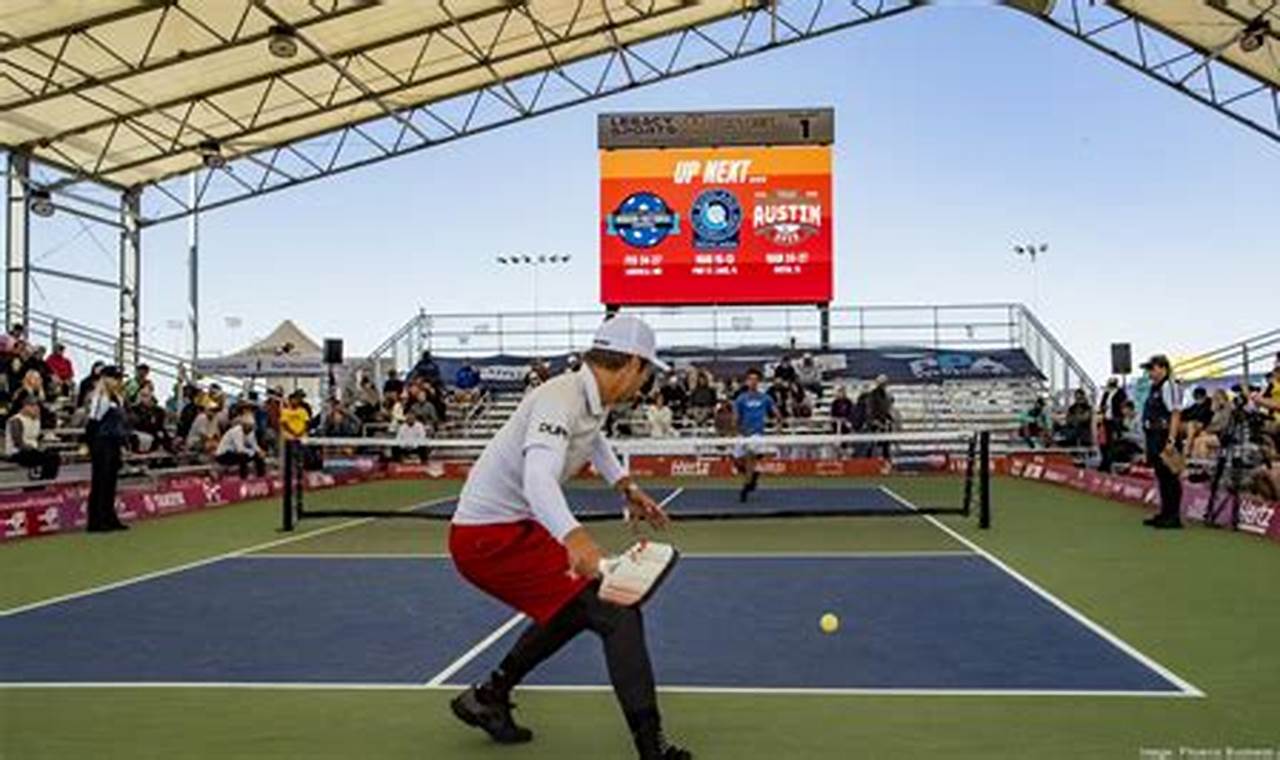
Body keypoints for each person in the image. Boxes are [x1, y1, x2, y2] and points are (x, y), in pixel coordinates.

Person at [448, 315, 689, 760]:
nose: (645, 383)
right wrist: (575, 537)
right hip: (488, 539)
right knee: (616, 609)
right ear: (633, 364)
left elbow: (593, 440)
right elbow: (539, 478)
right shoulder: (559, 397)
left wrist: (626, 487)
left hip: (512, 527)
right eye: (647, 372)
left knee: (580, 609)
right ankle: (652, 751)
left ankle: (489, 695)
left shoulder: (585, 397)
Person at [1140, 354, 1183, 529]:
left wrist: (1171, 440)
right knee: (1161, 476)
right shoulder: (1154, 387)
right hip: (1153, 435)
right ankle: (1165, 512)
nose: (1150, 373)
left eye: (1152, 368)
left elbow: (1175, 413)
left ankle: (1173, 516)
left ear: (1163, 368)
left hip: (1164, 435)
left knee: (1170, 476)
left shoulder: (1169, 385)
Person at [86, 366, 129, 532]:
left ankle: (110, 517)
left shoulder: (118, 398)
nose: (119, 381)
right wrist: (91, 445)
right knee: (100, 482)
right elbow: (93, 422)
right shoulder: (100, 397)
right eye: (116, 378)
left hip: (114, 442)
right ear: (107, 379)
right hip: (101, 442)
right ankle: (96, 520)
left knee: (111, 482)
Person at [733, 367, 778, 502]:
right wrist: (737, 429)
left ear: (759, 382)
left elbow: (776, 413)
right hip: (743, 434)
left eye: (755, 380)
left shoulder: (765, 398)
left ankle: (745, 488)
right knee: (737, 461)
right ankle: (752, 477)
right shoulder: (741, 398)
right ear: (746, 381)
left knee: (750, 458)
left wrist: (778, 426)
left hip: (757, 435)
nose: (753, 382)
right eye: (750, 379)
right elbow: (736, 417)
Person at [6, 396, 60, 480]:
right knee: (44, 457)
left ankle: (46, 480)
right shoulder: (16, 420)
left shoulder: (36, 420)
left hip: (33, 450)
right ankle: (42, 480)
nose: (36, 409)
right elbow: (18, 442)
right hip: (17, 452)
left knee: (54, 455)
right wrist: (33, 448)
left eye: (37, 406)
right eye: (33, 406)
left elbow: (36, 437)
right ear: (25, 407)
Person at [215, 412, 267, 478]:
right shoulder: (236, 431)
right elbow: (240, 449)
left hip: (234, 453)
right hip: (223, 454)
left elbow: (254, 444)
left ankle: (261, 476)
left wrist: (260, 452)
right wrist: (253, 452)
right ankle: (243, 477)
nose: (251, 429)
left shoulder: (250, 431)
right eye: (249, 426)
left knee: (258, 456)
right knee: (243, 456)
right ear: (244, 425)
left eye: (251, 427)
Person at [1097, 378, 1129, 472]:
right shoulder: (1106, 393)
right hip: (1106, 419)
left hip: (1116, 419)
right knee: (1104, 442)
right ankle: (1104, 462)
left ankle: (1108, 464)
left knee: (1112, 442)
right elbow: (1102, 405)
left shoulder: (1121, 393)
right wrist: (1103, 409)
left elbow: (1123, 405)